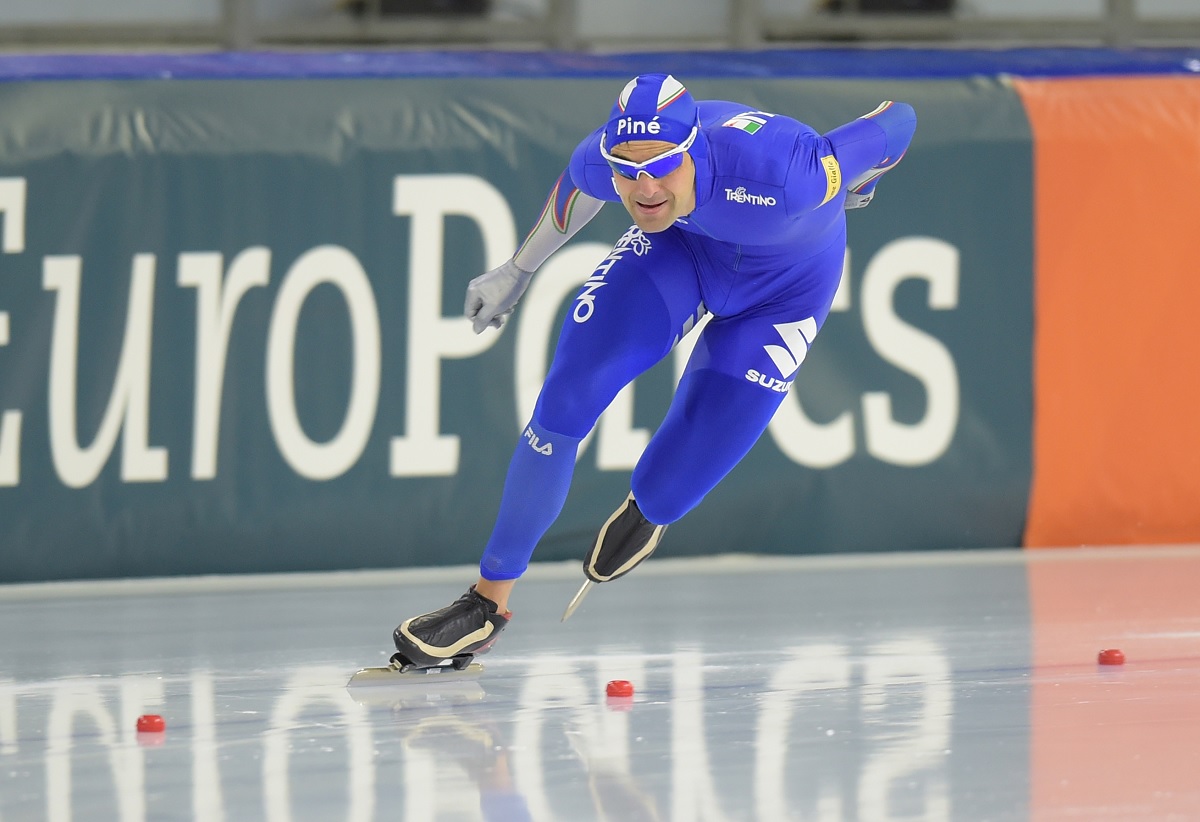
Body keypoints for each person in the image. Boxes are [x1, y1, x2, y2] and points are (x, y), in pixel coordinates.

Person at [391, 73, 916, 669]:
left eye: (662, 167)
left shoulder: (791, 172)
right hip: (682, 252)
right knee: (567, 397)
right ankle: (486, 606)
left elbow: (899, 119)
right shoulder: (606, 161)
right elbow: (575, 190)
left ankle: (650, 510)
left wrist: (862, 174)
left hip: (786, 292)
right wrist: (518, 269)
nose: (642, 189)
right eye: (627, 169)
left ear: (693, 151)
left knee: (668, 488)